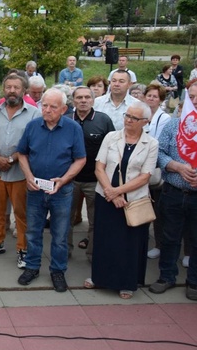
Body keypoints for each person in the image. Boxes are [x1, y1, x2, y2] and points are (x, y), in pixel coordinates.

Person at [16, 88, 86, 292]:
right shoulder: (32, 126)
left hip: (61, 192)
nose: (46, 110)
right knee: (33, 231)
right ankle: (32, 267)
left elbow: (80, 159)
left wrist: (64, 180)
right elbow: (22, 154)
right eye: (44, 105)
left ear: (63, 109)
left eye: (52, 107)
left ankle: (57, 271)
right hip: (35, 189)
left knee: (60, 234)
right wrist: (28, 177)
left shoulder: (73, 129)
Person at [86, 101, 158, 299]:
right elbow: (99, 166)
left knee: (129, 243)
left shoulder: (151, 143)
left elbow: (145, 176)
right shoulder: (111, 137)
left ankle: (126, 282)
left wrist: (119, 192)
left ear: (145, 121)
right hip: (106, 197)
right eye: (127, 116)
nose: (128, 120)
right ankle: (99, 277)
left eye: (134, 118)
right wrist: (111, 192)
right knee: (104, 239)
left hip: (133, 201)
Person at [0, 74, 40, 268]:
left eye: (16, 87)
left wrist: (11, 159)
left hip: (20, 173)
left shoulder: (33, 113)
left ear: (24, 90)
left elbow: (33, 143)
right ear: (4, 89)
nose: (12, 91)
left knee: (22, 214)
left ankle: (23, 249)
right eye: (8, 87)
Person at [148, 80, 197, 301]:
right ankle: (167, 276)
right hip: (173, 192)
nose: (195, 100)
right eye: (192, 96)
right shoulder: (174, 125)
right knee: (169, 237)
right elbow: (159, 153)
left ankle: (194, 281)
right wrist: (176, 166)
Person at [68, 86, 115, 262]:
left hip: (94, 180)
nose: (83, 100)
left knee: (96, 221)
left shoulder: (103, 120)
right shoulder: (65, 119)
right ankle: (65, 251)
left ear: (93, 100)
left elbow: (112, 150)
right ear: (73, 101)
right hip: (70, 180)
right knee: (66, 219)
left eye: (87, 97)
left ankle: (93, 254)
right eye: (79, 97)